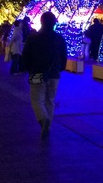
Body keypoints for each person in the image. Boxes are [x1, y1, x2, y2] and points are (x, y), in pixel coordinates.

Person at [21, 11, 68, 139]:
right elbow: (64, 56)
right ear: (54, 23)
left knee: (36, 99)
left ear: (41, 21)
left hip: (37, 72)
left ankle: (43, 120)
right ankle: (48, 124)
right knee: (50, 100)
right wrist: (59, 68)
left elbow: (26, 56)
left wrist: (29, 68)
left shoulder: (33, 38)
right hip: (54, 74)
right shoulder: (59, 38)